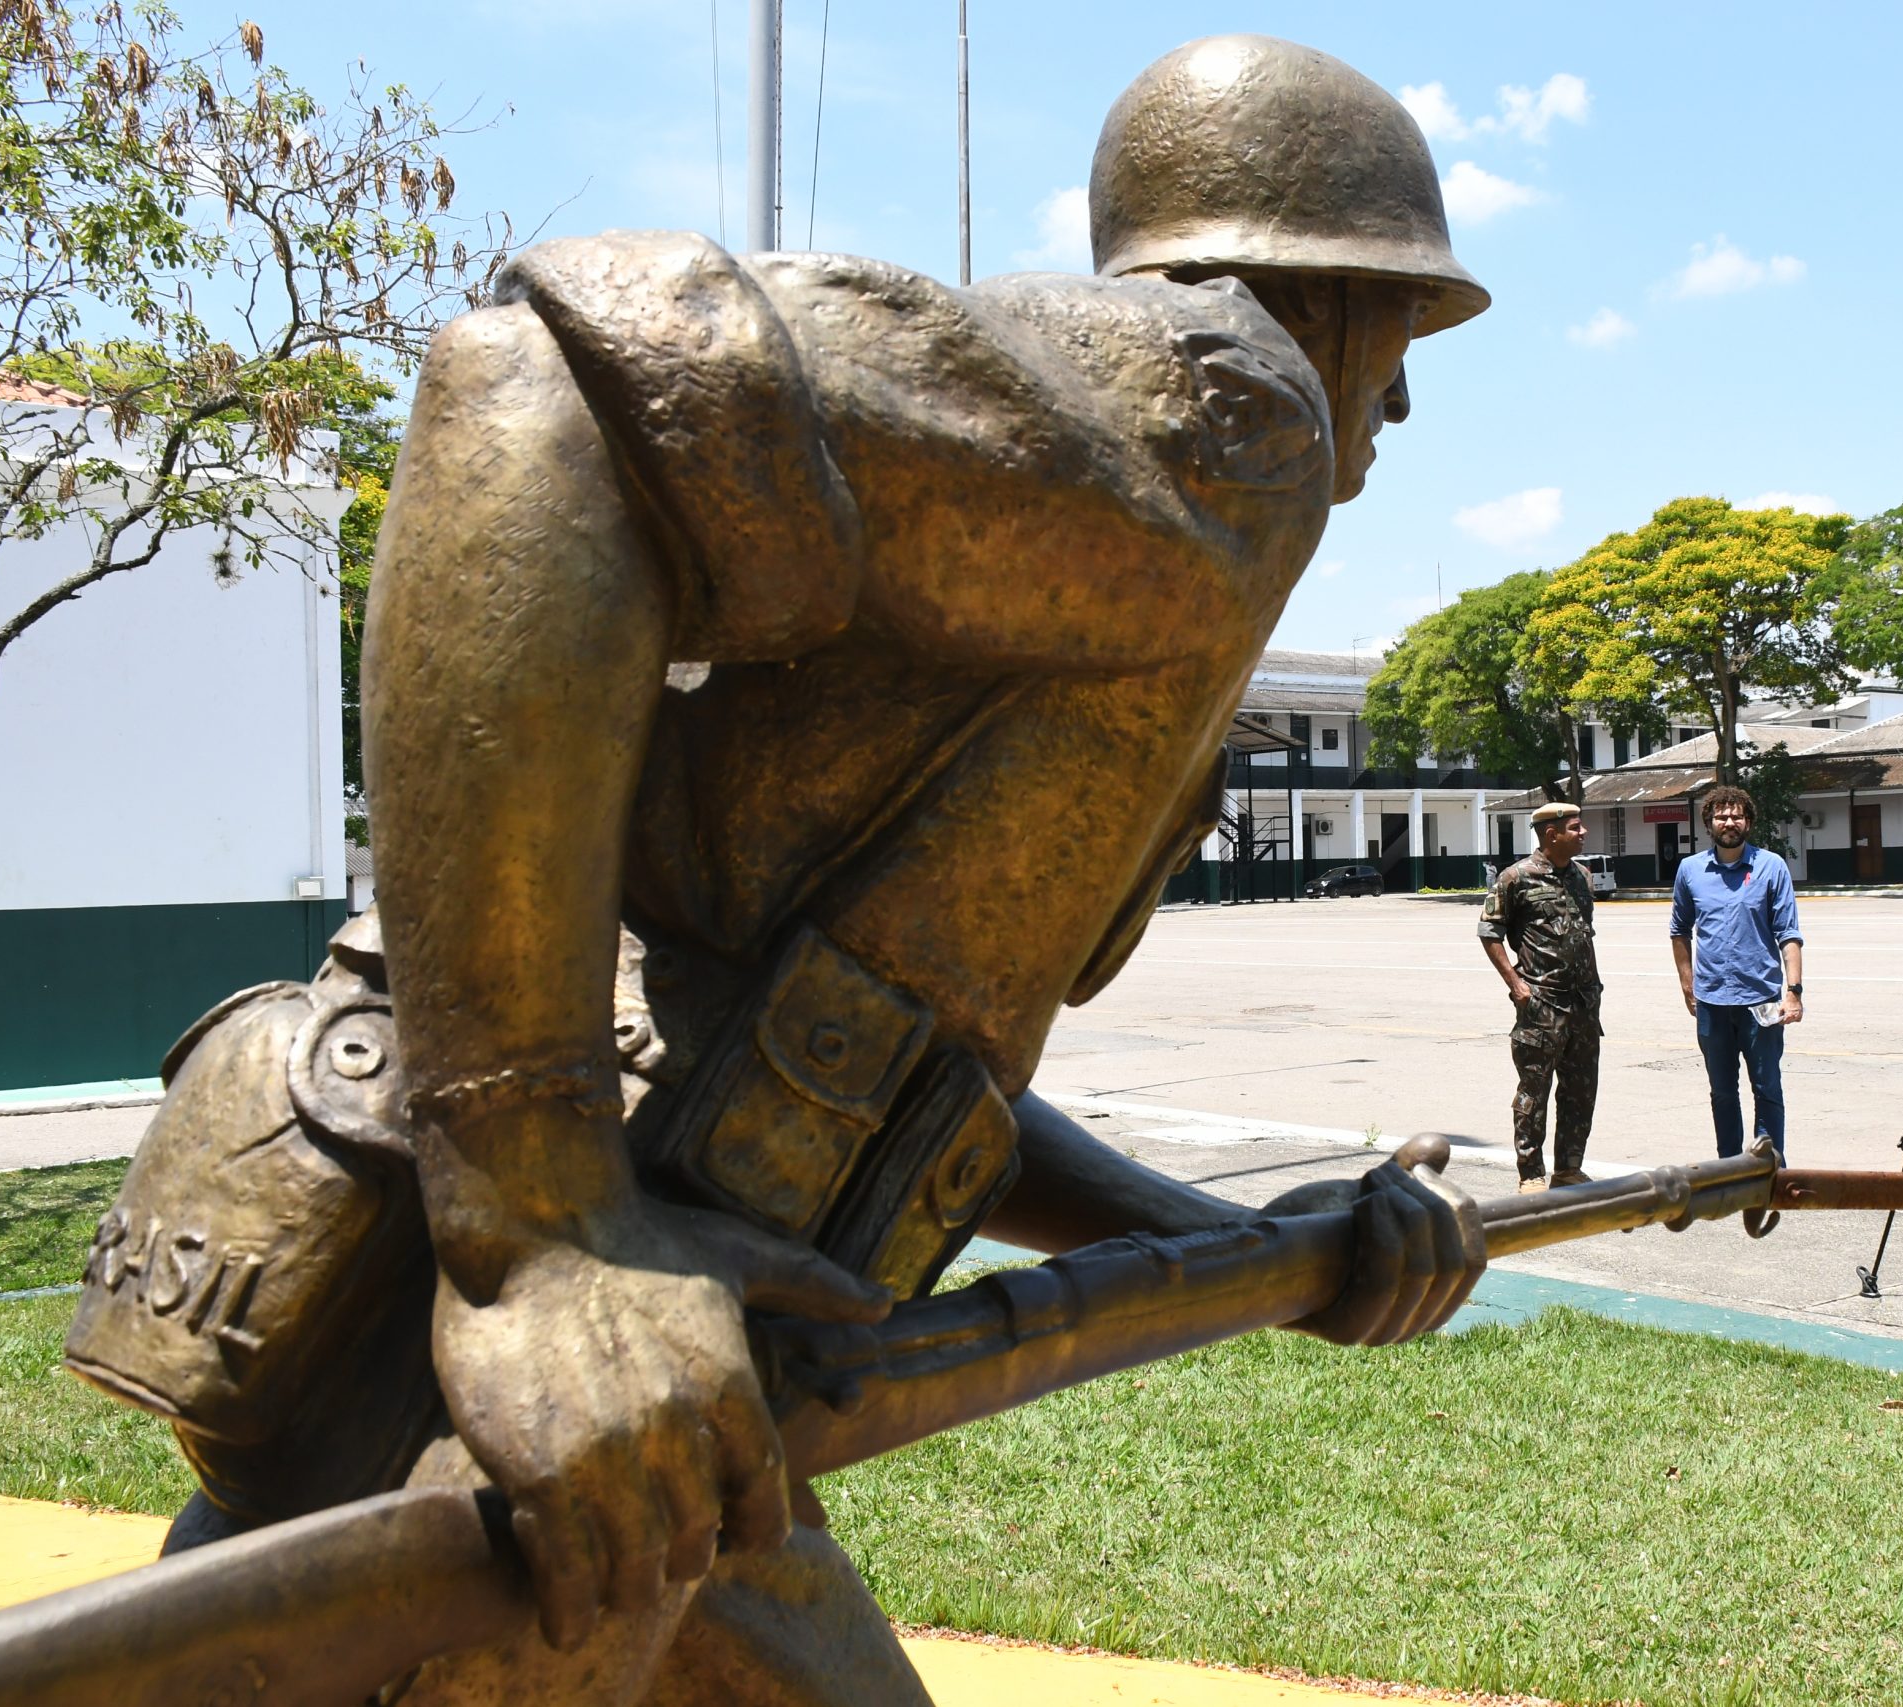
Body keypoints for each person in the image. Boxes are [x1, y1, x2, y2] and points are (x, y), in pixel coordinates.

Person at [86, 37, 1495, 1707]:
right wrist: (538, 1233)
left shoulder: (1125, 540)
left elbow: (879, 1074)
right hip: (548, 1388)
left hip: (648, 1393)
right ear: (1312, 293)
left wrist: (1263, 1244)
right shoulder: (1229, 407)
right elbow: (536, 391)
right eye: (1397, 321)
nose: (1393, 401)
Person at [1667, 783, 1803, 1161]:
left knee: (1767, 1087)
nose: (1729, 821)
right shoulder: (1690, 870)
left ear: (1749, 821)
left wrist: (1793, 991)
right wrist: (1686, 982)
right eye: (1721, 815)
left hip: (1760, 1001)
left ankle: (1769, 1166)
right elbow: (1679, 929)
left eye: (1737, 814)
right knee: (1722, 1091)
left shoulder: (1771, 866)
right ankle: (1729, 1168)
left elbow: (1789, 933)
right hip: (1711, 1001)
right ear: (1708, 822)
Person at [1478, 800, 1603, 1192]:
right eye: (1576, 828)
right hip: (1542, 1004)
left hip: (1584, 1004)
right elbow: (1489, 933)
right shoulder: (1516, 878)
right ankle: (1531, 1173)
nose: (1583, 834)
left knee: (1580, 1091)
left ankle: (1569, 1167)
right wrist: (1516, 986)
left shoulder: (1583, 876)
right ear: (1552, 833)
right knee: (1534, 1092)